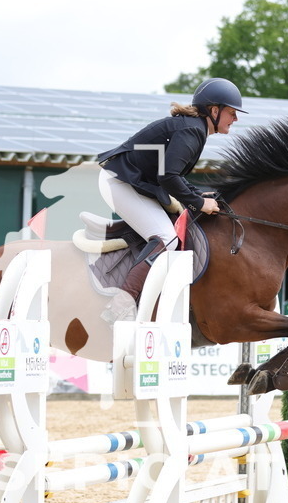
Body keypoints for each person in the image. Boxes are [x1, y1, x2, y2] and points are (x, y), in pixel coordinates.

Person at [96, 77, 247, 322]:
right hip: (120, 183)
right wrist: (199, 203)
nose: (236, 119)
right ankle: (120, 305)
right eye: (232, 112)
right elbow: (168, 176)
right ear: (214, 110)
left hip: (133, 182)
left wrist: (197, 194)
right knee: (166, 238)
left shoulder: (195, 128)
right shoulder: (192, 131)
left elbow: (172, 174)